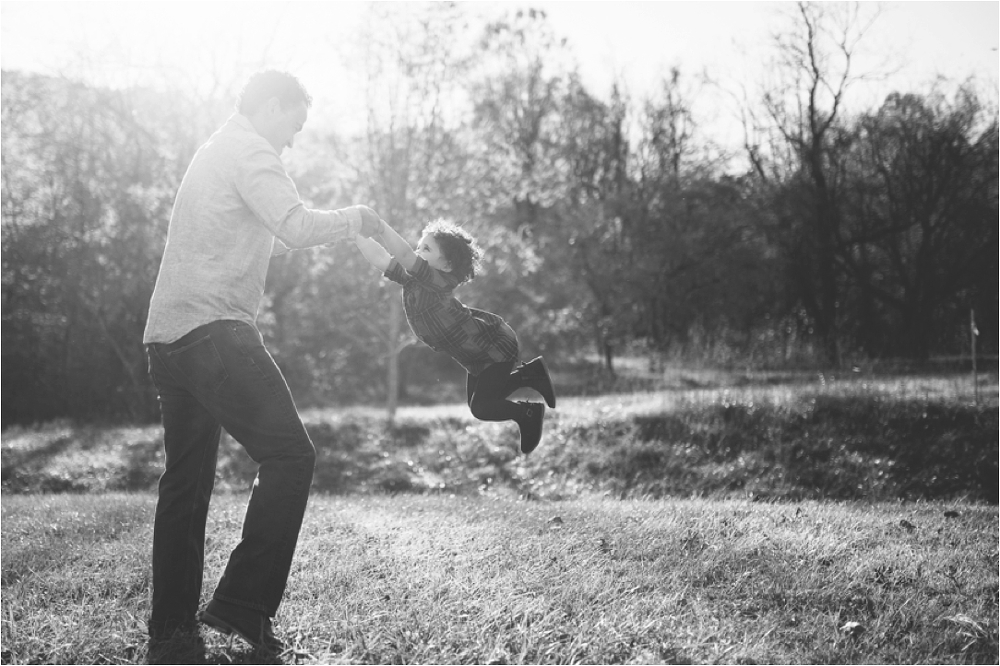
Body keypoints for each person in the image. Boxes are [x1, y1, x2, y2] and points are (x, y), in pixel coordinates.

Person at [142, 70, 382, 655]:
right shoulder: (250, 148)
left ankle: (172, 627)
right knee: (292, 454)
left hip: (166, 338)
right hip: (214, 331)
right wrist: (356, 220)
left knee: (186, 485)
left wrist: (329, 230)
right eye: (293, 125)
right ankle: (242, 605)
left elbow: (265, 233)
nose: (294, 140)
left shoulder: (214, 150)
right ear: (271, 108)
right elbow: (294, 227)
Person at [354, 219, 556, 453]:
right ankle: (531, 374)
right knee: (481, 402)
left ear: (447, 266)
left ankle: (529, 413)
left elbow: (405, 255)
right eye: (419, 247)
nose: (418, 252)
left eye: (426, 249)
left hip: (494, 345)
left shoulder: (437, 280)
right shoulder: (413, 278)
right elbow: (381, 259)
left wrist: (379, 226)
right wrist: (355, 233)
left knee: (482, 407)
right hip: (475, 354)